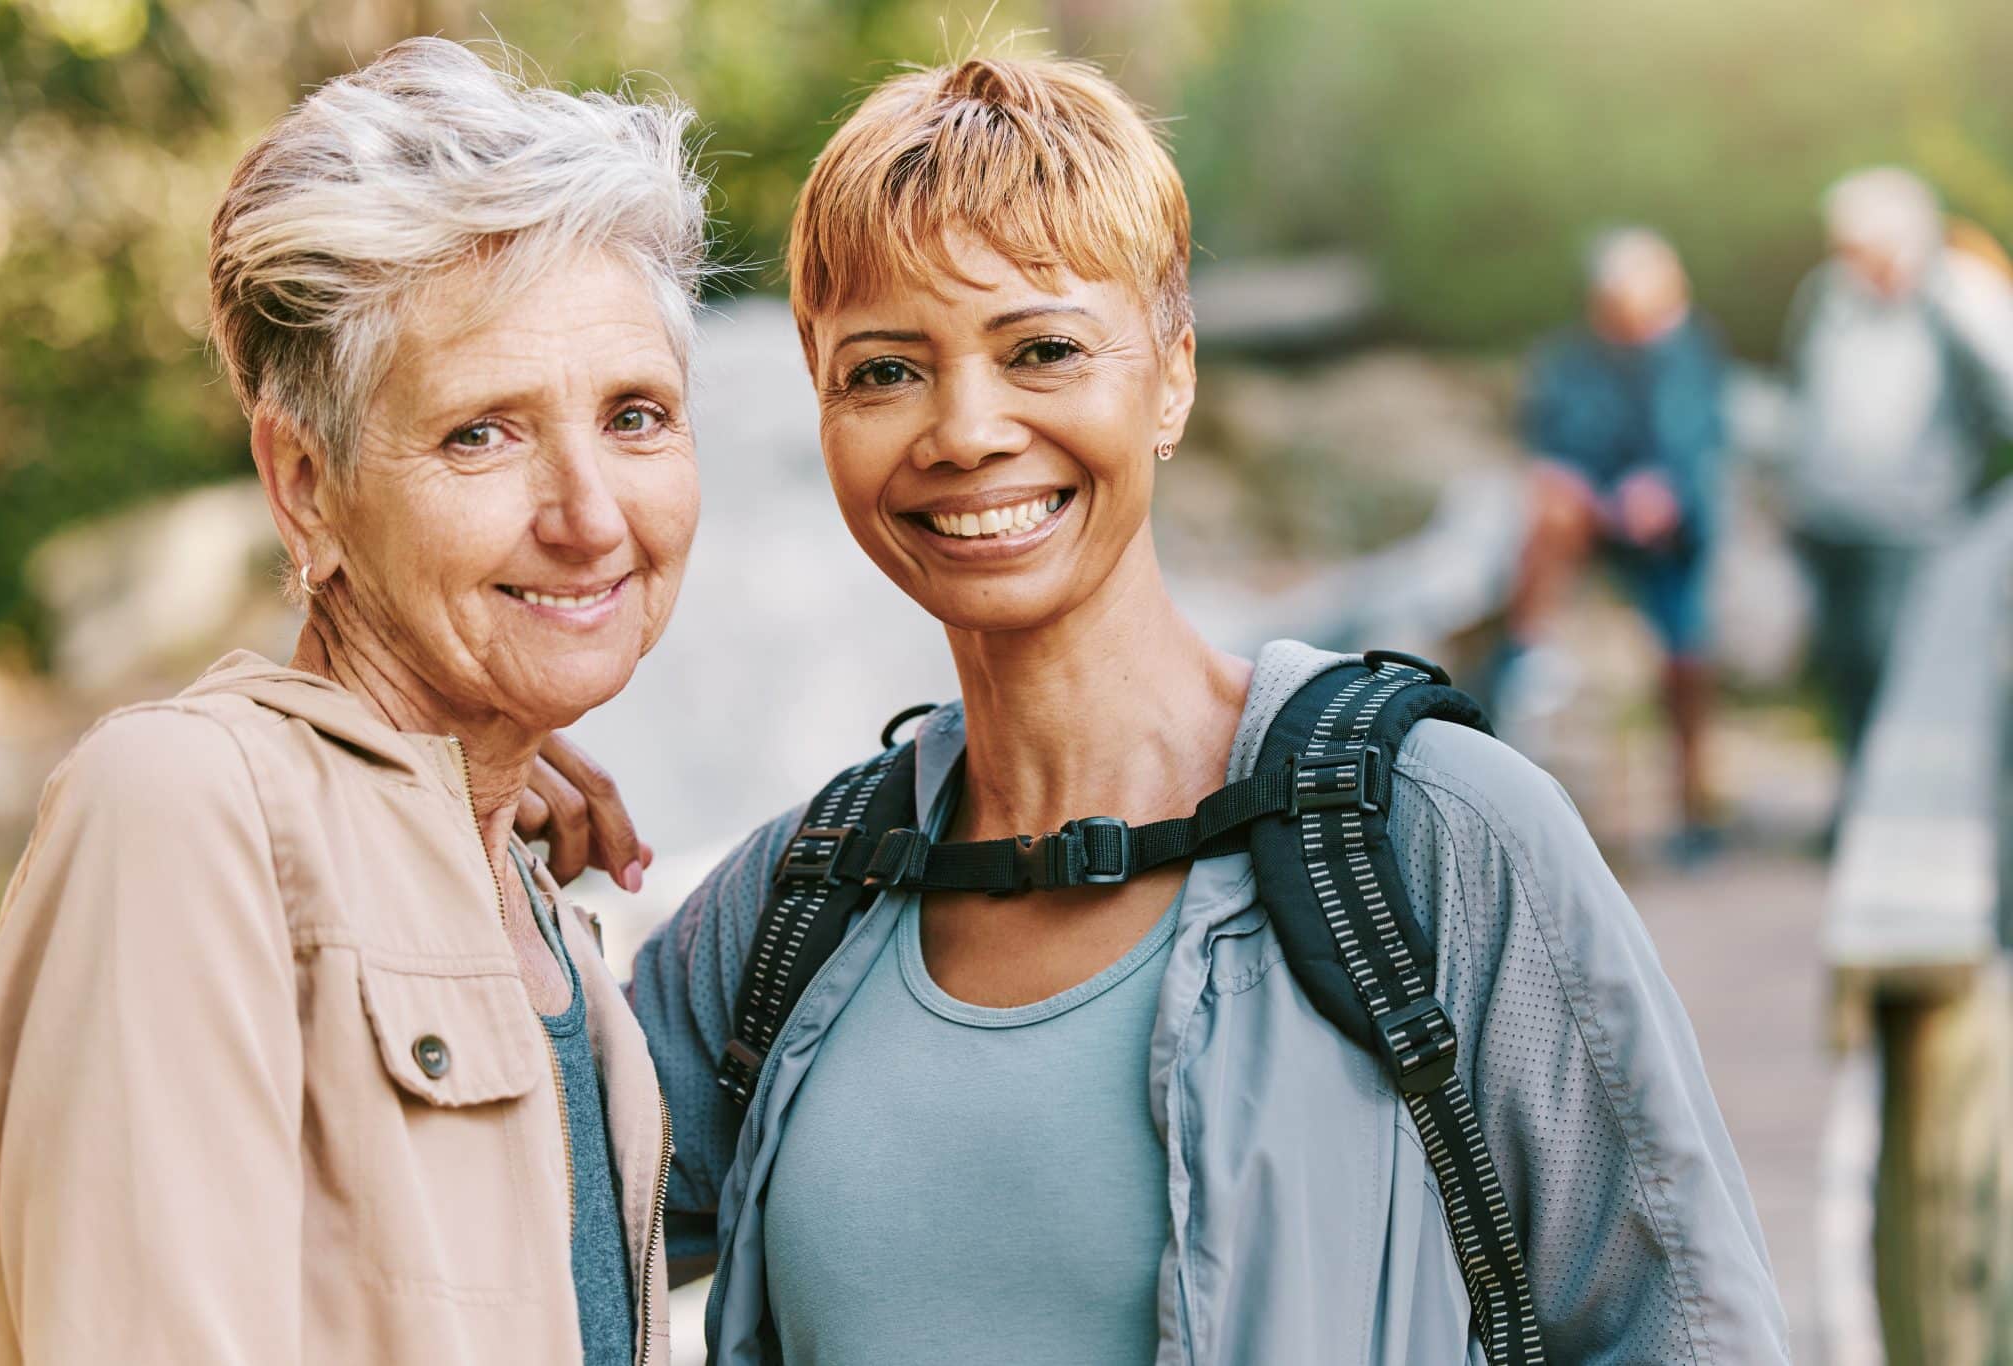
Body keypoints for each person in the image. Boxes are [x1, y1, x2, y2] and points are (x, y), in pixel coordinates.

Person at [536, 55, 1789, 1363]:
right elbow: (470, 1224)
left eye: (1043, 349)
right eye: (884, 370)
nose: (965, 429)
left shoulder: (1434, 842)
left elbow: (1682, 1332)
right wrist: (443, 776)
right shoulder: (789, 910)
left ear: (1173, 374)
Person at [0, 38, 703, 1366]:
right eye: (483, 431)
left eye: (636, 414)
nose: (590, 515)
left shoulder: (543, 921)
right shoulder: (185, 817)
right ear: (307, 484)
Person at [1498, 227, 1728, 861]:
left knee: (1686, 656)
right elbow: (1553, 437)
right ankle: (1526, 656)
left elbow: (1698, 445)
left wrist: (1663, 490)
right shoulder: (1573, 358)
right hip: (1592, 523)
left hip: (1673, 539)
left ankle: (1695, 806)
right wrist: (1595, 489)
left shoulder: (1689, 353)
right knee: (1550, 512)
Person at [1781, 167, 2013, 768]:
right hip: (1827, 514)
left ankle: (1892, 798)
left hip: (1914, 523)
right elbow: (1803, 386)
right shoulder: (1826, 294)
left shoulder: (1958, 295)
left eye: (1863, 248)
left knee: (1894, 667)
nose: (1852, 261)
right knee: (1845, 665)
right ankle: (1855, 789)